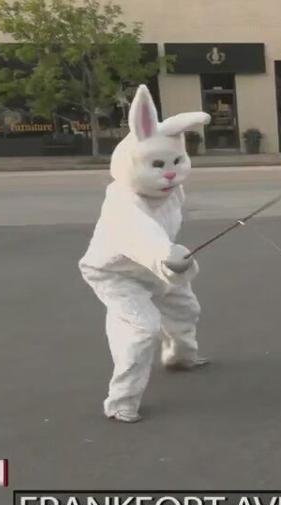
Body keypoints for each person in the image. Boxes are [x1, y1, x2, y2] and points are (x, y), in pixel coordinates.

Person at [78, 85, 211, 423]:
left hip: (160, 267)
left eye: (176, 161)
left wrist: (170, 262)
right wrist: (168, 258)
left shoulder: (172, 190)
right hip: (117, 273)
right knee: (142, 329)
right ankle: (121, 401)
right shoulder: (124, 201)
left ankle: (181, 357)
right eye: (157, 164)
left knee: (185, 309)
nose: (169, 172)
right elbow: (143, 236)